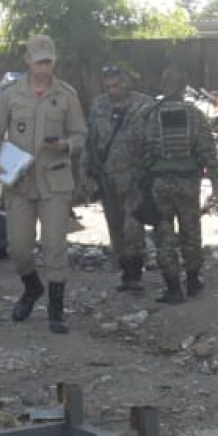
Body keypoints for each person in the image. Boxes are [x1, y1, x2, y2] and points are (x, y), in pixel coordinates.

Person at [0, 33, 87, 334]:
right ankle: (32, 288)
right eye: (39, 62)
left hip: (54, 180)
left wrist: (67, 145)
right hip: (20, 181)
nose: (44, 68)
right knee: (18, 248)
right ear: (28, 61)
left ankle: (56, 307)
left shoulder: (66, 95)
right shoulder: (11, 94)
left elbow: (81, 134)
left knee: (55, 246)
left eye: (48, 62)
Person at [131, 64, 218, 304]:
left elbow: (137, 151)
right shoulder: (195, 114)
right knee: (191, 231)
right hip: (188, 184)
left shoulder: (148, 114)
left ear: (163, 84)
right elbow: (208, 152)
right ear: (184, 86)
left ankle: (173, 288)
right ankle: (192, 281)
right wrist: (215, 185)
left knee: (164, 234)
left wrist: (138, 185)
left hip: (159, 185)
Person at [86, 64, 152, 292]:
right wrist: (88, 174)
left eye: (116, 85)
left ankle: (136, 273)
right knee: (115, 227)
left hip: (135, 177)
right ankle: (125, 271)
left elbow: (153, 142)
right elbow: (91, 142)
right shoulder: (98, 106)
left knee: (133, 226)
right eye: (108, 86)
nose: (113, 90)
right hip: (108, 178)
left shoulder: (144, 105)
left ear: (125, 82)